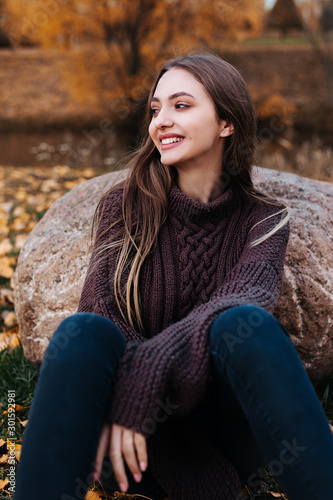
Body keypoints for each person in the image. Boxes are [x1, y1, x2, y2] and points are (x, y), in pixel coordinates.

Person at [14, 53, 333, 500]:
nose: (161, 120)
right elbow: (102, 308)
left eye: (181, 106)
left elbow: (240, 302)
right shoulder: (123, 206)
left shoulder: (265, 220)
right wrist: (135, 401)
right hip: (128, 446)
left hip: (221, 437)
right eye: (155, 109)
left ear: (227, 123)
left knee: (245, 325)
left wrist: (142, 378)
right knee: (84, 330)